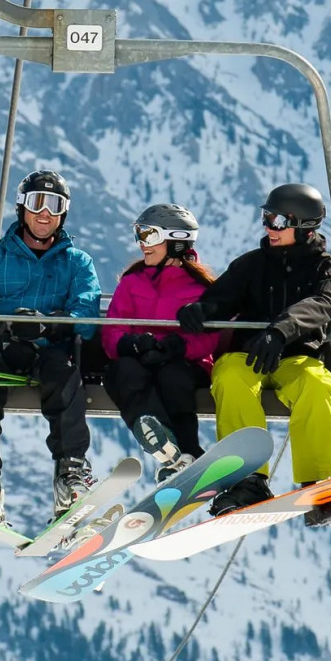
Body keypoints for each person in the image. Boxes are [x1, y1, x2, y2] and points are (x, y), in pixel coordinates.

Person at [176, 182, 331, 527]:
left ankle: (320, 485)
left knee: (316, 385)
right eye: (267, 218)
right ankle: (248, 480)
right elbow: (223, 298)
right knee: (228, 377)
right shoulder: (252, 265)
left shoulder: (328, 269)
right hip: (249, 354)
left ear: (304, 227)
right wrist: (200, 311)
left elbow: (322, 305)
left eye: (278, 221)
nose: (269, 227)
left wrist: (280, 332)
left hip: (298, 356)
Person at [0, 170, 102, 525]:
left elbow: (86, 313)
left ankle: (70, 472)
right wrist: (2, 336)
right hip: (1, 348)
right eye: (37, 203)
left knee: (64, 376)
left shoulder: (76, 262)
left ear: (63, 213)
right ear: (22, 208)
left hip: (50, 349)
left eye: (55, 205)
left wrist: (50, 324)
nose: (45, 214)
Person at [100, 204, 227, 482]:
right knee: (122, 372)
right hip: (140, 361)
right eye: (140, 235)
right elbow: (113, 328)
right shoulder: (132, 283)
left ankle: (186, 449)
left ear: (177, 241)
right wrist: (132, 345)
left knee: (173, 376)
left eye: (150, 236)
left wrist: (178, 347)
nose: (142, 244)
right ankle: (168, 447)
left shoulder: (200, 289)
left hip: (184, 365)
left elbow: (210, 336)